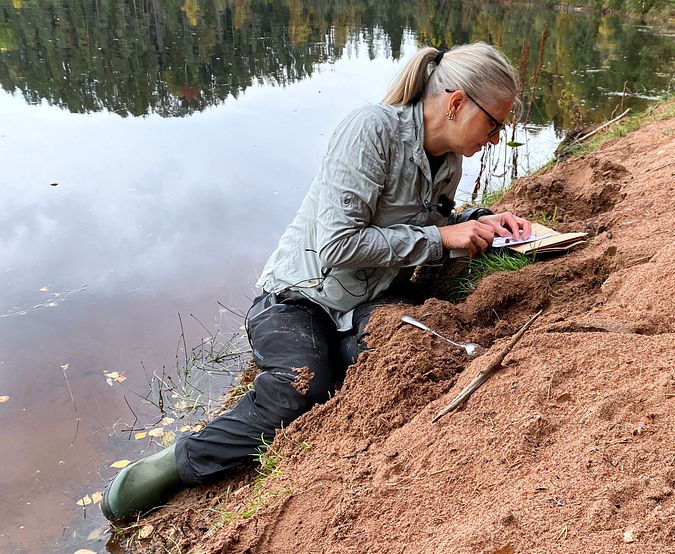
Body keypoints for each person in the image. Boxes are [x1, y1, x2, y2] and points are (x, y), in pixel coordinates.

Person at [101, 42, 532, 522]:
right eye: (494, 123)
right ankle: (176, 463)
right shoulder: (370, 129)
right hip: (298, 298)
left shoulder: (448, 159)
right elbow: (337, 244)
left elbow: (435, 217)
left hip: (367, 299)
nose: (496, 138)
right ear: (456, 104)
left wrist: (481, 221)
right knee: (301, 387)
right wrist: (439, 237)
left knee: (403, 359)